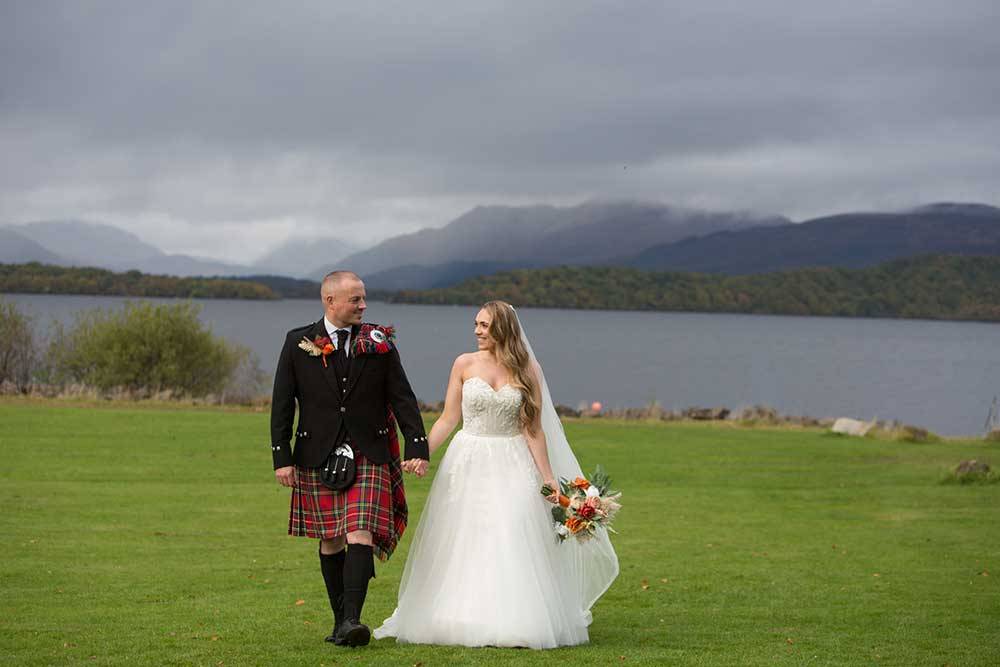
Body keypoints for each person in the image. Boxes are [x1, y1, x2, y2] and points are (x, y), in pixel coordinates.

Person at [375, 300, 619, 648]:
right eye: (476, 324)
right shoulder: (463, 363)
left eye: (484, 325)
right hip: (468, 458)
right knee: (464, 534)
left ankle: (517, 618)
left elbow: (533, 429)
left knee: (512, 530)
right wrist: (420, 452)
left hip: (513, 458)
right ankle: (462, 615)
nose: (477, 331)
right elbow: (448, 417)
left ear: (503, 328)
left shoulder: (528, 368)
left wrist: (549, 477)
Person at [270, 271, 429, 647]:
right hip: (316, 452)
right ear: (330, 302)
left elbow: (401, 396)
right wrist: (282, 457)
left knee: (360, 531)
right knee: (330, 539)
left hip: (368, 450)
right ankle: (341, 621)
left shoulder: (379, 342)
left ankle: (354, 620)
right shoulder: (299, 342)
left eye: (363, 298)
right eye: (355, 299)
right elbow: (281, 404)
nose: (363, 305)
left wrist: (417, 446)